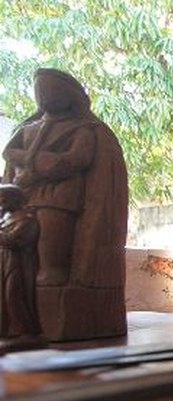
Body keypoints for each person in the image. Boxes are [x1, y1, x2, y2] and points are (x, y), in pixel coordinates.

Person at [2, 67, 127, 292]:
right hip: (27, 193)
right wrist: (27, 159)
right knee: (23, 240)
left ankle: (52, 275)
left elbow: (78, 159)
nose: (45, 96)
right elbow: (9, 152)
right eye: (41, 90)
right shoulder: (28, 128)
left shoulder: (83, 129)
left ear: (69, 96)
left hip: (59, 196)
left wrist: (42, 162)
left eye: (51, 90)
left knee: (51, 238)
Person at [0, 184, 46, 351]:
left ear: (15, 200)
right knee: (3, 298)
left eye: (4, 199)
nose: (1, 203)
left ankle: (26, 331)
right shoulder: (5, 218)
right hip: (4, 261)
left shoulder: (27, 220)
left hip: (18, 264)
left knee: (14, 294)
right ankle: (8, 330)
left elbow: (14, 240)